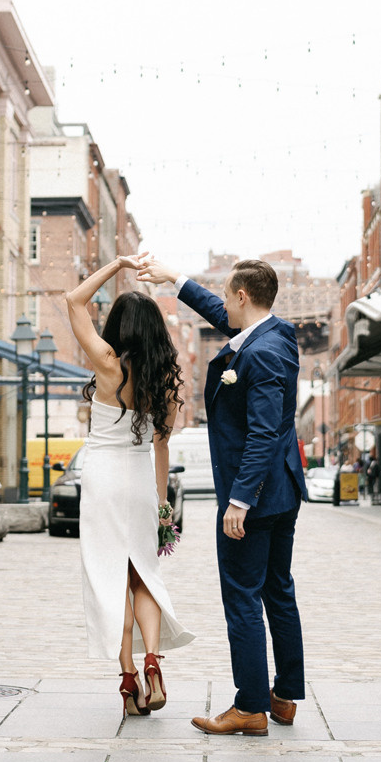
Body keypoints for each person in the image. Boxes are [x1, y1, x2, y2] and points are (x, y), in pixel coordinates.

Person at [140, 253, 307, 737]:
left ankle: (250, 706)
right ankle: (284, 696)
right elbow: (221, 314)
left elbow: (262, 433)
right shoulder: (276, 334)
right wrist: (177, 279)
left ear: (242, 296)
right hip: (282, 492)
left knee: (242, 598)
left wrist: (239, 500)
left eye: (228, 299)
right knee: (278, 590)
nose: (224, 312)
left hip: (254, 498)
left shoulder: (261, 354)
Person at [64, 255, 195, 718]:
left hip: (102, 478)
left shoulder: (107, 365)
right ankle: (154, 661)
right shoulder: (165, 386)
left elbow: (73, 300)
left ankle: (127, 681)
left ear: (117, 327)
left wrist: (117, 265)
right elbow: (161, 450)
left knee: (110, 578)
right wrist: (163, 506)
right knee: (144, 574)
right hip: (141, 481)